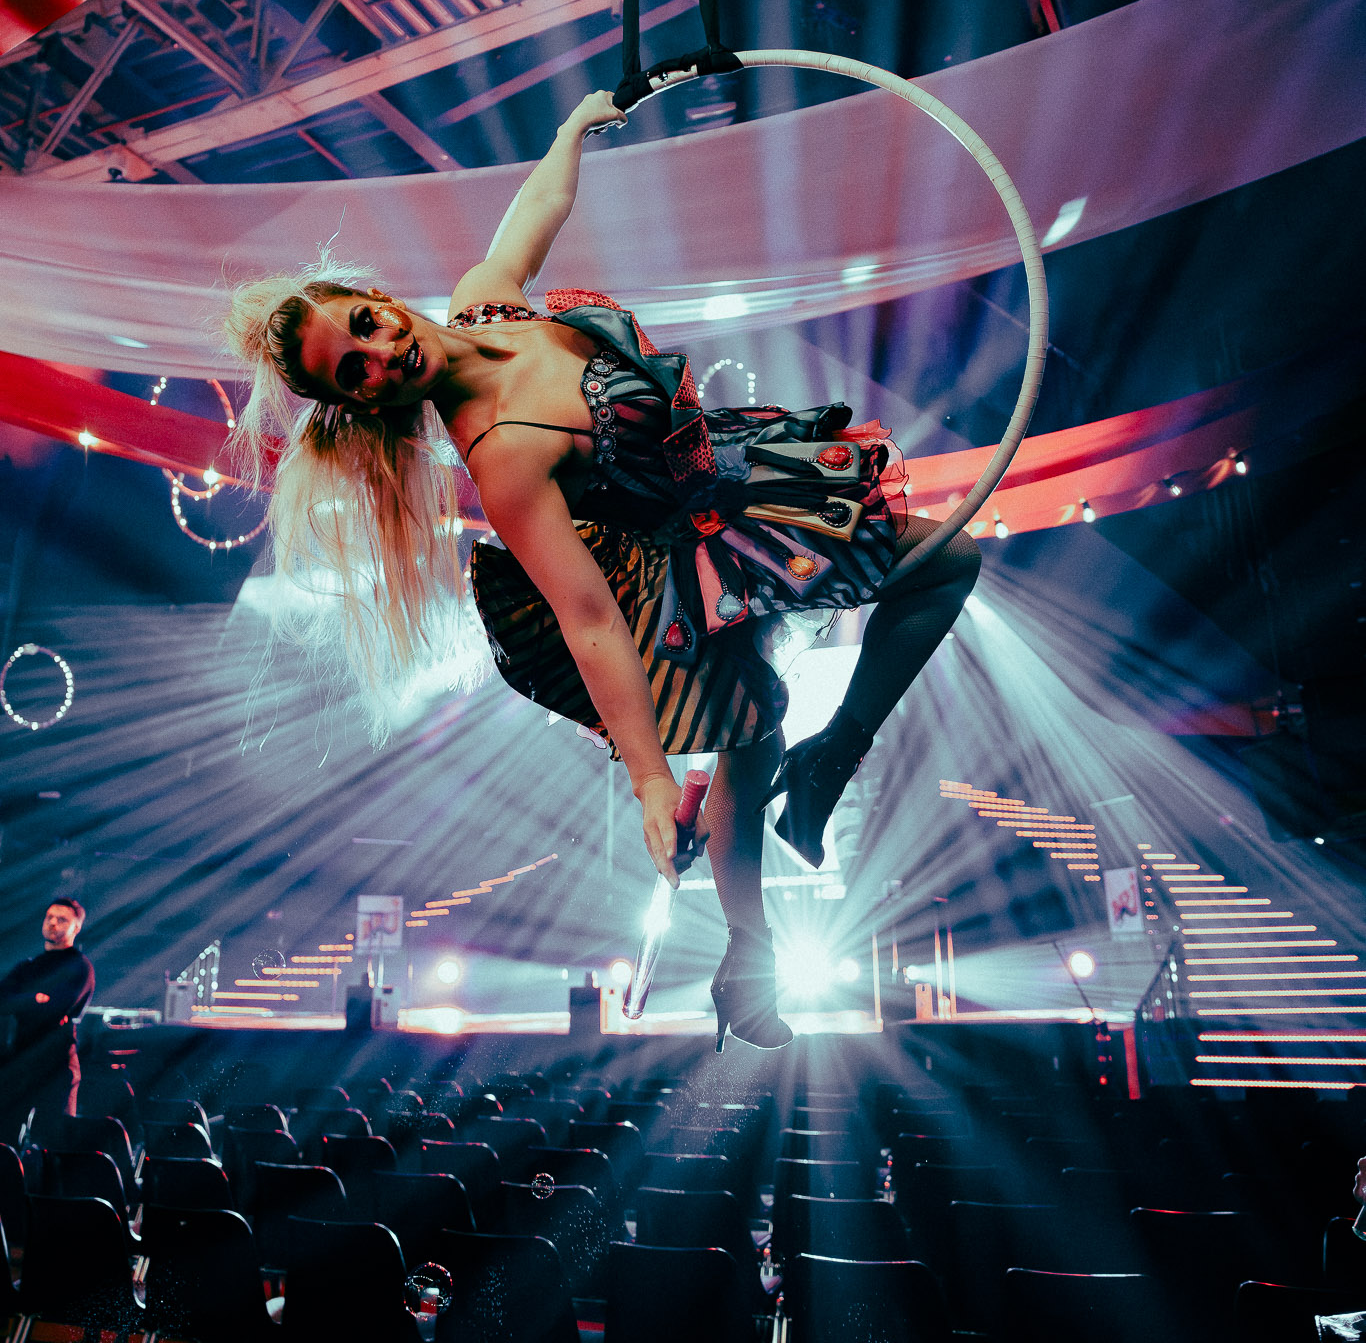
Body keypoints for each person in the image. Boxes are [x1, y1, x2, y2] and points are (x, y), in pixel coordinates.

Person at [224, 91, 979, 1049]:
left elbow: (531, 215)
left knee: (930, 579)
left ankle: (831, 765)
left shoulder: (483, 300)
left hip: (739, 471)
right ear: (362, 405)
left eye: (365, 330)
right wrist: (652, 783)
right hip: (680, 558)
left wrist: (572, 129)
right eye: (355, 376)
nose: (380, 359)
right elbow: (585, 620)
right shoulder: (499, 456)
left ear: (376, 298)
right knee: (756, 727)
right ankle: (753, 948)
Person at [0, 897, 95, 1144]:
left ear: (76, 927)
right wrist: (36, 999)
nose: (52, 923)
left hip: (57, 1063)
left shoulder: (79, 966)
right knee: (6, 1136)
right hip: (20, 1059)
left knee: (53, 1142)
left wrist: (25, 1000)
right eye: (49, 917)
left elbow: (58, 1006)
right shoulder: (28, 966)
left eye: (61, 919)